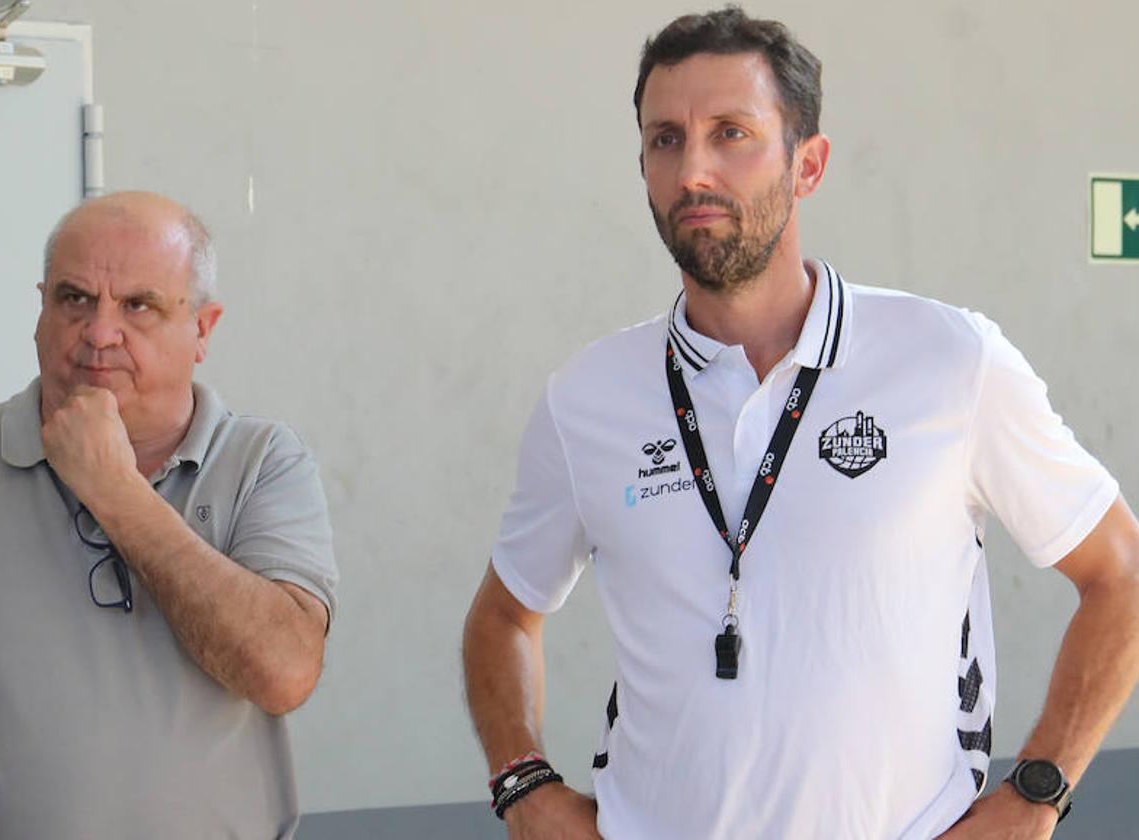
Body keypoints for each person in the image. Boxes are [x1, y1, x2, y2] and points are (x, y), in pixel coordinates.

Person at [462, 8, 1139, 840]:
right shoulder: (587, 397)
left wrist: (1037, 793)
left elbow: (1122, 575)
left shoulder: (949, 361)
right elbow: (501, 617)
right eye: (666, 139)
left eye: (732, 133)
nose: (694, 171)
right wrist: (522, 784)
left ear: (807, 164)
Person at [0, 191, 339, 839]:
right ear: (41, 309)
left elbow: (283, 671)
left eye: (139, 305)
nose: (99, 332)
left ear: (202, 330)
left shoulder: (264, 462)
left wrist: (116, 492)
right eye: (74, 299)